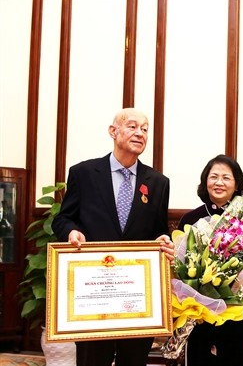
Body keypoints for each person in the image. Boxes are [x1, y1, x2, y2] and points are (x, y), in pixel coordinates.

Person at [52, 108, 175, 366]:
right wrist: (72, 232)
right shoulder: (83, 173)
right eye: (132, 126)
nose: (140, 133)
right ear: (113, 131)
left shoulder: (158, 182)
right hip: (94, 294)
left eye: (145, 128)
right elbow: (62, 219)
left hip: (136, 296)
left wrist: (163, 238)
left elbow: (158, 229)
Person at [178, 154, 243, 366]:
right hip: (198, 309)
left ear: (237, 184)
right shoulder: (190, 219)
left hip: (236, 306)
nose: (219, 182)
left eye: (226, 178)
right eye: (214, 177)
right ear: (205, 181)